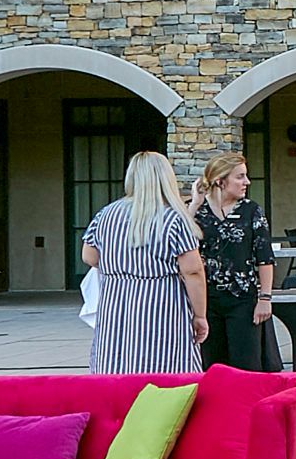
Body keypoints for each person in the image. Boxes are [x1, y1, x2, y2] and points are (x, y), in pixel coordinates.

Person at [82, 151, 206, 374]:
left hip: (116, 303)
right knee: (165, 367)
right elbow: (193, 271)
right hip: (162, 304)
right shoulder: (174, 218)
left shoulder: (106, 215)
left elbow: (89, 256)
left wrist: (121, 266)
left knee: (116, 364)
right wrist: (200, 315)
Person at [189, 151, 276, 371]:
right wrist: (193, 206)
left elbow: (264, 257)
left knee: (246, 364)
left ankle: (248, 405)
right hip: (205, 301)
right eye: (240, 176)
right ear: (220, 180)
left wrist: (265, 298)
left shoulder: (251, 210)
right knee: (212, 365)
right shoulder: (197, 211)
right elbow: (178, 243)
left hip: (243, 300)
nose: (246, 182)